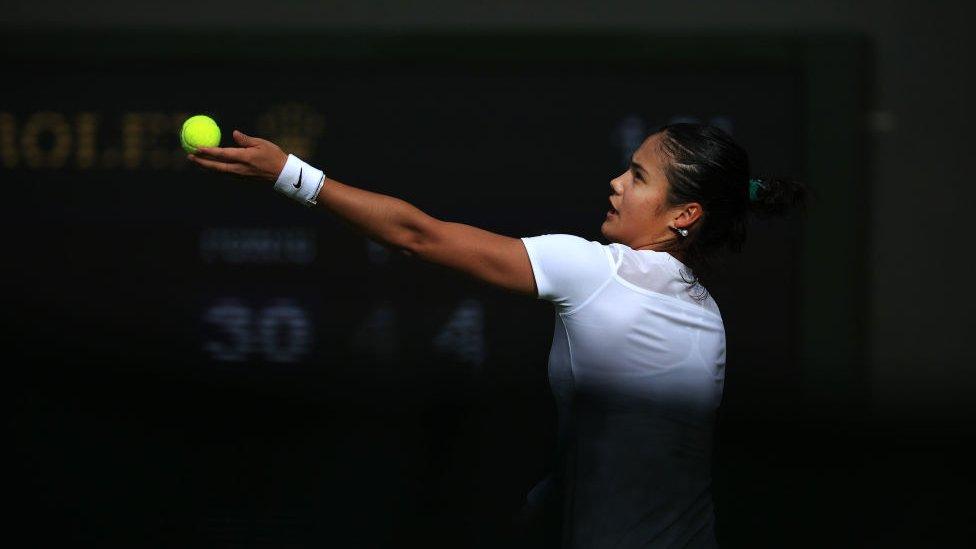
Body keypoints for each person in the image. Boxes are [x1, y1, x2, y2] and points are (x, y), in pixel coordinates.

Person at [188, 122, 807, 548]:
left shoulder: (596, 271)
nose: (617, 183)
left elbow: (416, 235)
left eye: (639, 176)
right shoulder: (708, 316)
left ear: (684, 215)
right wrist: (554, 492)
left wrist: (288, 173)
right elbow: (640, 439)